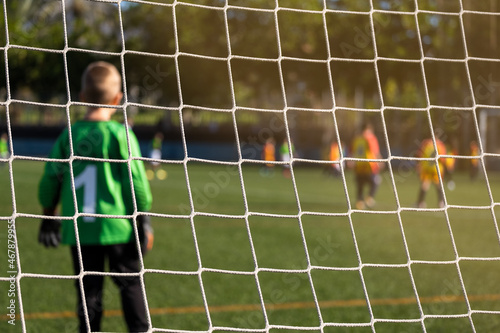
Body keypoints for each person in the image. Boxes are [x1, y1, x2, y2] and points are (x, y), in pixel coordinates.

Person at [37, 61, 153, 333]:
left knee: (89, 294)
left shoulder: (69, 135)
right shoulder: (121, 134)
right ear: (118, 99)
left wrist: (47, 216)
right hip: (118, 228)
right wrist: (143, 220)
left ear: (82, 98)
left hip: (80, 229)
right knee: (130, 284)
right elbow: (136, 183)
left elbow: (51, 178)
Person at [351, 123, 382, 209]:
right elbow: (375, 152)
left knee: (360, 183)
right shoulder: (370, 138)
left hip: (358, 164)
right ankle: (369, 197)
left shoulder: (357, 139)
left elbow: (353, 151)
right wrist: (380, 162)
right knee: (376, 180)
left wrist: (352, 161)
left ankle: (359, 202)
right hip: (369, 164)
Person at [415, 137, 447, 208]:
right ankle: (441, 203)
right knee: (438, 185)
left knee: (425, 185)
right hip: (437, 168)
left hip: (426, 167)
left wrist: (419, 165)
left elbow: (419, 155)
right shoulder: (440, 144)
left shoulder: (425, 143)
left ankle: (420, 203)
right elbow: (443, 158)